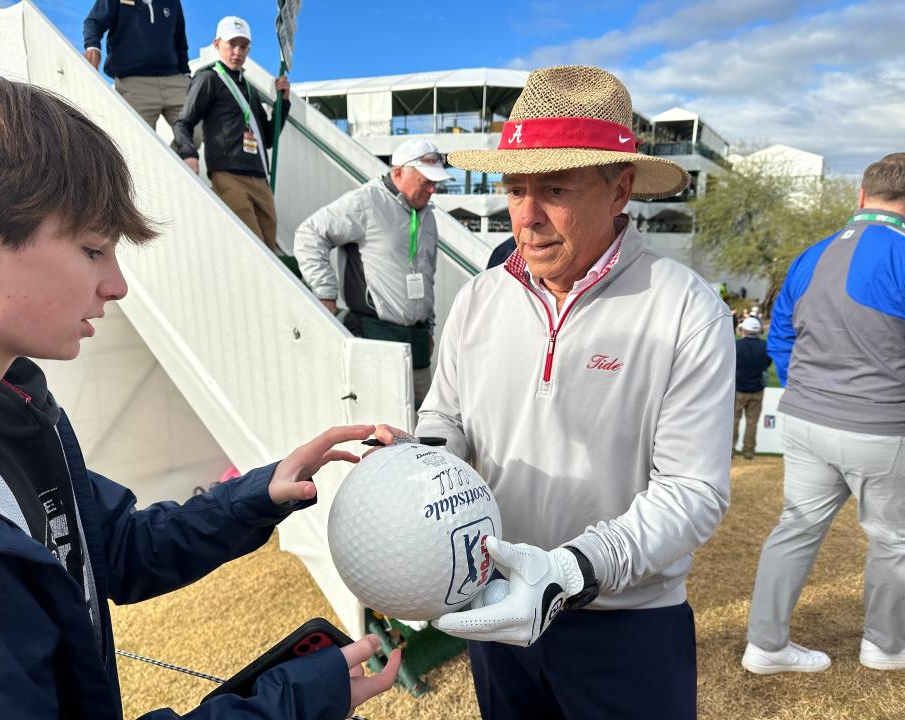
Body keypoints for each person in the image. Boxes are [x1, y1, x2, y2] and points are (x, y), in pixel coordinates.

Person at [0, 65, 399, 719]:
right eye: (95, 249)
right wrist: (288, 706)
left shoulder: (19, 407)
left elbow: (113, 550)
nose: (118, 285)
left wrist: (259, 494)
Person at [375, 66, 734, 719]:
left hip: (625, 625)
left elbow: (695, 492)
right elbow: (446, 418)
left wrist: (568, 572)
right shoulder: (483, 297)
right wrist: (418, 466)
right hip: (497, 608)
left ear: (619, 189)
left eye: (555, 189)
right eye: (514, 189)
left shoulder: (685, 308)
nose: (527, 216)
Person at [742, 152, 905, 675]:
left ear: (861, 196)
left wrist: (804, 384)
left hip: (806, 418)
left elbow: (781, 332)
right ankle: (885, 646)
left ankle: (766, 645)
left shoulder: (810, 254)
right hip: (881, 425)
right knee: (893, 539)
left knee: (794, 527)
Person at [294, 138, 452, 407]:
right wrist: (324, 293)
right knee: (384, 424)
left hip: (418, 340)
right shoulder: (366, 202)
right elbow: (310, 234)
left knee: (424, 424)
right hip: (377, 335)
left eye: (435, 182)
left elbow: (427, 275)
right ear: (399, 172)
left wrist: (430, 328)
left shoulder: (428, 215)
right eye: (426, 180)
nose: (433, 188)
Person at [174, 16, 291, 254]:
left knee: (269, 245)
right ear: (217, 44)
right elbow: (183, 123)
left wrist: (283, 104)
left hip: (260, 177)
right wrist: (189, 153)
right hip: (228, 174)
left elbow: (267, 138)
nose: (238, 52)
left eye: (244, 46)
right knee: (254, 247)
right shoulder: (208, 78)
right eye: (232, 44)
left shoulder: (249, 88)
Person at [83, 0, 191, 131]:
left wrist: (186, 73)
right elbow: (94, 22)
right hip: (134, 83)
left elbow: (180, 39)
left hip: (175, 80)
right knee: (142, 143)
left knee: (196, 133)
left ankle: (177, 152)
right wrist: (93, 46)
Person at [733, 316, 771, 459]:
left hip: (738, 388)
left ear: (744, 330)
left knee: (734, 420)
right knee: (752, 422)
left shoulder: (737, 345)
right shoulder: (765, 346)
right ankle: (748, 450)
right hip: (757, 388)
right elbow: (766, 364)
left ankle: (730, 449)